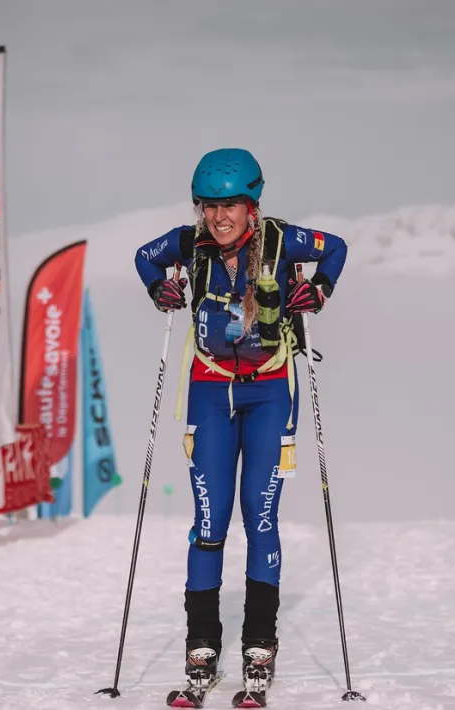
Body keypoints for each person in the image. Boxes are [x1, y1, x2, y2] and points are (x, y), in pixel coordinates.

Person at [133, 148, 348, 698]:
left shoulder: (281, 241)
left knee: (260, 514)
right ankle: (201, 646)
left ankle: (259, 646)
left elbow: (336, 249)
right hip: (208, 390)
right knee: (210, 521)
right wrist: (159, 289)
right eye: (210, 205)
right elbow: (143, 257)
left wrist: (317, 290)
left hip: (271, 389)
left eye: (231, 205)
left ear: (253, 205)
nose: (219, 216)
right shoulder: (190, 244)